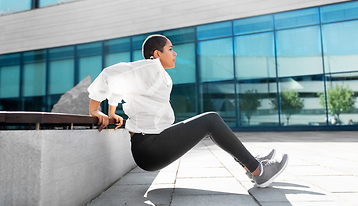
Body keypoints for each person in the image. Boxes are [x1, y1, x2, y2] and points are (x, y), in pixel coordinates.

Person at [88, 34, 288, 188]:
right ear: (157, 54)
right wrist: (95, 110)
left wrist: (112, 112)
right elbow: (109, 75)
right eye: (170, 49)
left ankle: (251, 163)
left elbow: (120, 87)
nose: (175, 53)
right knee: (212, 120)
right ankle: (259, 171)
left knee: (210, 121)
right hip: (150, 147)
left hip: (152, 143)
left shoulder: (156, 74)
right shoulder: (149, 68)